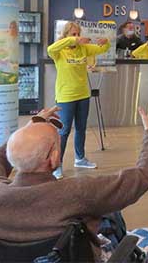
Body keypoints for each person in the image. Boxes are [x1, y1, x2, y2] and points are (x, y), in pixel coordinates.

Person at [0, 105, 148, 261]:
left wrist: (28, 129)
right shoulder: (75, 192)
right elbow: (142, 177)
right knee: (111, 213)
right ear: (53, 157)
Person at [47, 21, 110, 178]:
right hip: (65, 97)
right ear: (66, 35)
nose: (76, 37)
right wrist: (72, 41)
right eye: (72, 34)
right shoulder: (59, 50)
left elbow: (103, 49)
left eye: (77, 34)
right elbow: (50, 49)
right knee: (64, 131)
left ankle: (80, 158)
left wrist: (106, 42)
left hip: (83, 95)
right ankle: (57, 165)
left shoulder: (84, 48)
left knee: (81, 128)